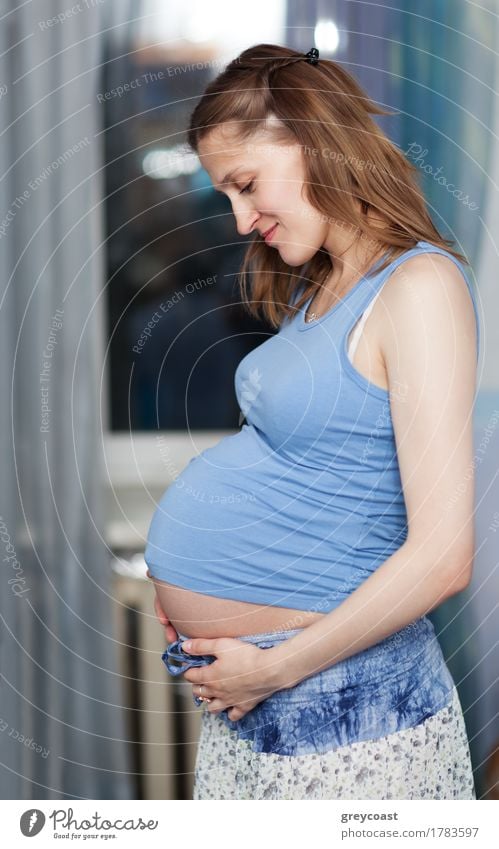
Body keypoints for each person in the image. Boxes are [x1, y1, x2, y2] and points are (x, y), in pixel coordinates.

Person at [144, 43, 479, 800]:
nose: (236, 219)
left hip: (347, 714)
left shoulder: (418, 287)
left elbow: (441, 557)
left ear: (312, 141)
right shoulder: (319, 292)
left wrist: (272, 664)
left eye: (245, 183)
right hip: (262, 711)